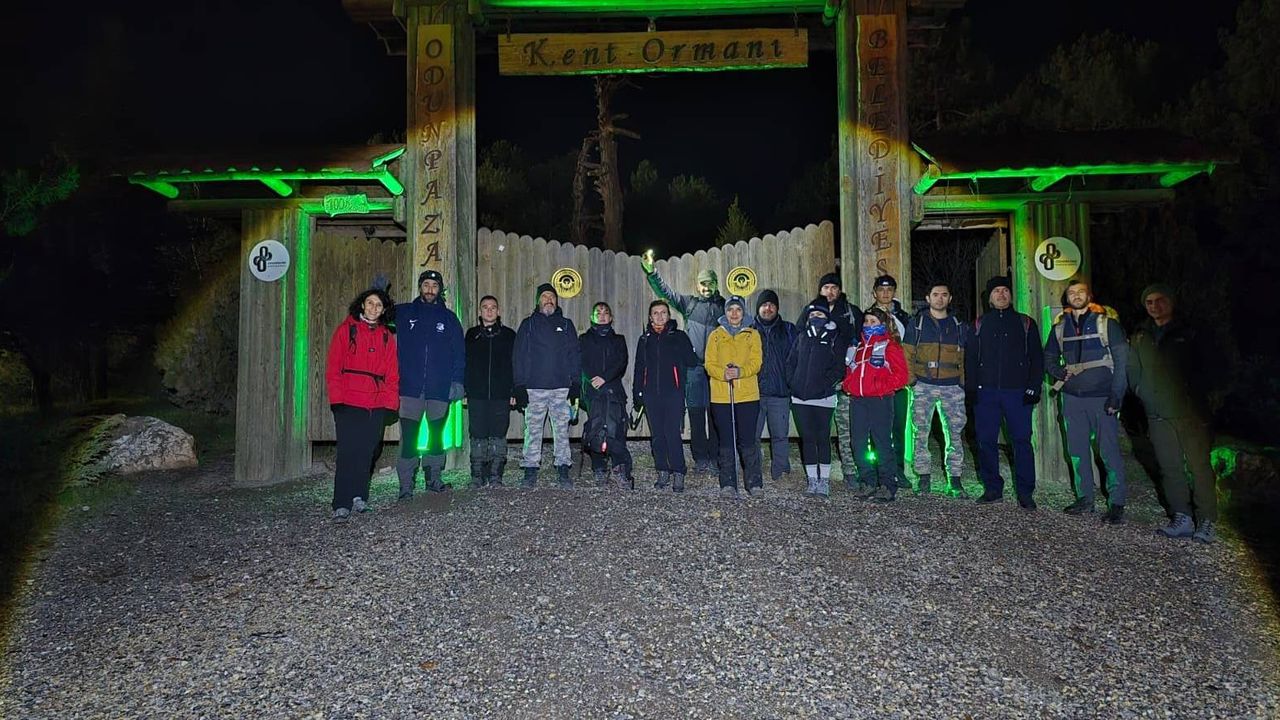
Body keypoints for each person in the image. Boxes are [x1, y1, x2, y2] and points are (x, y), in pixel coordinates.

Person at [1129, 283, 1218, 542]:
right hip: (1157, 412)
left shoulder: (1190, 332)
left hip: (1190, 412)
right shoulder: (1141, 334)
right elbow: (1133, 367)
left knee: (1199, 466)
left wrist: (1197, 397)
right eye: (1149, 302)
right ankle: (1182, 517)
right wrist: (1140, 390)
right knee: (1170, 467)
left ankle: (1207, 520)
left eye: (1160, 300)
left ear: (1171, 301)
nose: (1155, 306)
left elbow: (1211, 367)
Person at [1044, 279, 1129, 523]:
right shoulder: (1060, 328)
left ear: (1089, 296)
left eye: (1081, 291)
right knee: (1077, 451)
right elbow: (1048, 357)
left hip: (1102, 398)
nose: (1076, 295)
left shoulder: (1107, 325)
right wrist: (1059, 373)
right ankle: (1085, 498)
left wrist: (1117, 395)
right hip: (1072, 398)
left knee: (1109, 451)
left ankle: (1117, 503)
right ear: (1066, 298)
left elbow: (1122, 362)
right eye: (1072, 292)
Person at [965, 276, 1044, 509]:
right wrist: (972, 389)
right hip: (986, 392)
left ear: (1011, 295)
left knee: (1021, 441)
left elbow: (1037, 358)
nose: (1001, 294)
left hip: (1017, 392)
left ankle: (1025, 492)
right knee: (985, 441)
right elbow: (971, 359)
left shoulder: (1025, 323)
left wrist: (1033, 386)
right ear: (989, 298)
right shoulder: (979, 324)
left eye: (1005, 290)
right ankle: (992, 488)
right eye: (996, 291)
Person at [640, 255, 725, 475]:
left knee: (715, 414)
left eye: (710, 283)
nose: (706, 287)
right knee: (696, 413)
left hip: (716, 369)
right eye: (703, 283)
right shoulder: (690, 303)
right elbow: (666, 293)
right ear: (697, 286)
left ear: (716, 284)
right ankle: (700, 458)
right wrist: (652, 272)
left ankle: (715, 458)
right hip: (694, 369)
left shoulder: (724, 306)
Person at [325, 286, 399, 520]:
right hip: (349, 400)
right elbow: (334, 368)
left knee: (368, 451)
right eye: (370, 303)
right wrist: (336, 399)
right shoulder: (346, 330)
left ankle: (359, 495)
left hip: (375, 403)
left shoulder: (386, 336)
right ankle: (341, 501)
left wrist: (390, 404)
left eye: (379, 305)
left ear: (383, 310)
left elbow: (392, 373)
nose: (373, 308)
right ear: (362, 305)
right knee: (348, 451)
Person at [395, 270, 465, 499]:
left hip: (439, 389)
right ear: (420, 287)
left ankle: (433, 478)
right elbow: (378, 313)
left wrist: (457, 381)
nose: (430, 290)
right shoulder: (405, 312)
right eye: (426, 285)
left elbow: (459, 353)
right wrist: (379, 292)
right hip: (410, 388)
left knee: (436, 436)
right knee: (409, 438)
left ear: (440, 289)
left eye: (434, 286)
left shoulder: (449, 319)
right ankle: (406, 484)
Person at [902, 283, 969, 497]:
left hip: (952, 387)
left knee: (954, 434)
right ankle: (923, 477)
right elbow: (907, 354)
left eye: (944, 295)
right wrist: (912, 380)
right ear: (928, 298)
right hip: (923, 385)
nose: (940, 298)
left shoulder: (959, 326)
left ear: (950, 299)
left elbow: (966, 356)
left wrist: (962, 382)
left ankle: (955, 480)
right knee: (920, 432)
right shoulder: (917, 324)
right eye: (935, 294)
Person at [513, 283, 581, 488]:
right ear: (538, 301)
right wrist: (519, 385)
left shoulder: (566, 325)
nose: (549, 300)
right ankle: (530, 468)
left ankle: (563, 468)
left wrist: (576, 383)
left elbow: (574, 355)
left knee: (562, 430)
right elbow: (519, 356)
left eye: (552, 297)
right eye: (544, 296)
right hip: (534, 388)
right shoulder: (528, 325)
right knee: (533, 430)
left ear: (557, 301)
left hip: (561, 388)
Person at [802, 272, 863, 488]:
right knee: (820, 431)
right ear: (820, 290)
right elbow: (800, 341)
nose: (830, 291)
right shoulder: (811, 310)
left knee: (847, 428)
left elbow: (861, 343)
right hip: (817, 384)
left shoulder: (851, 312)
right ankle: (818, 472)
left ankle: (851, 470)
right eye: (826, 287)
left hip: (845, 380)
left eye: (834, 287)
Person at [843, 307, 910, 502]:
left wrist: (881, 386)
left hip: (880, 400)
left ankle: (888, 484)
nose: (868, 325)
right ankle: (867, 481)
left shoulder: (890, 346)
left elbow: (902, 376)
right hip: (858, 400)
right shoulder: (858, 347)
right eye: (866, 321)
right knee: (858, 442)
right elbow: (851, 370)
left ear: (883, 324)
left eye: (873, 321)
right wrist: (849, 385)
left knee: (882, 442)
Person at [633, 300, 698, 493]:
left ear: (669, 316)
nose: (660, 316)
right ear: (650, 317)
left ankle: (678, 471)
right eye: (656, 313)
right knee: (657, 435)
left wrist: (683, 346)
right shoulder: (644, 340)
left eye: (663, 313)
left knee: (672, 433)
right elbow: (639, 367)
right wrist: (638, 392)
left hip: (673, 393)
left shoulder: (678, 336)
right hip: (651, 394)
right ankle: (662, 470)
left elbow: (692, 360)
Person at [706, 295, 764, 497]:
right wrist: (723, 373)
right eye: (730, 309)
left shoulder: (752, 335)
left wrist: (740, 372)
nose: (734, 314)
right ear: (725, 312)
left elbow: (756, 362)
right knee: (726, 440)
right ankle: (728, 483)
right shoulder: (715, 335)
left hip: (747, 395)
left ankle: (754, 482)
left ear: (743, 312)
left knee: (748, 440)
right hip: (722, 396)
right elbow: (709, 363)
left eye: (738, 309)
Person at [786, 303, 846, 497]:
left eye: (820, 314)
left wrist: (824, 384)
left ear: (827, 317)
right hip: (800, 398)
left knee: (823, 438)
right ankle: (812, 480)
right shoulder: (802, 336)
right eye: (812, 314)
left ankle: (824, 480)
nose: (816, 317)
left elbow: (839, 367)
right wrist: (793, 383)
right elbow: (791, 362)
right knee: (808, 439)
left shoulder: (834, 337)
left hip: (823, 398)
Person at [865, 274, 913, 489]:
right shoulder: (868, 316)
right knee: (876, 429)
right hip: (876, 381)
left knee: (898, 428)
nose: (885, 293)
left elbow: (910, 348)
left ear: (894, 292)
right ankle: (878, 470)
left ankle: (898, 470)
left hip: (898, 381)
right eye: (881, 289)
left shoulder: (904, 317)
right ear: (874, 292)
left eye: (889, 289)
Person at [579, 301, 633, 489]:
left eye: (605, 313)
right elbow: (582, 362)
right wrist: (592, 379)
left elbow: (621, 362)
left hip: (614, 390)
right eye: (598, 313)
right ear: (592, 317)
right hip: (593, 391)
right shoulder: (584, 339)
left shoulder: (619, 340)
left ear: (611, 317)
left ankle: (619, 468)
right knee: (596, 428)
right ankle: (599, 468)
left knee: (617, 428)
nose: (602, 316)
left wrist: (605, 378)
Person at [464, 295, 516, 487]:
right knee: (477, 434)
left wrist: (514, 391)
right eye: (485, 307)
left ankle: (496, 475)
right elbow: (465, 363)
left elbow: (515, 365)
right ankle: (477, 475)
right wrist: (465, 389)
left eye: (493, 307)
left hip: (501, 394)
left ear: (498, 311)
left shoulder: (509, 335)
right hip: (476, 394)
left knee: (498, 434)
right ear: (480, 311)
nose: (489, 310)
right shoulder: (471, 335)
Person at [751, 289, 796, 482]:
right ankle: (753, 469)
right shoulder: (749, 329)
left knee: (780, 435)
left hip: (780, 392)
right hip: (753, 392)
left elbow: (796, 358)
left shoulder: (789, 329)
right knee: (752, 435)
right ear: (758, 308)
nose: (768, 308)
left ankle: (780, 470)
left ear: (777, 308)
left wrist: (791, 383)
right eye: (764, 305)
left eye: (771, 305)